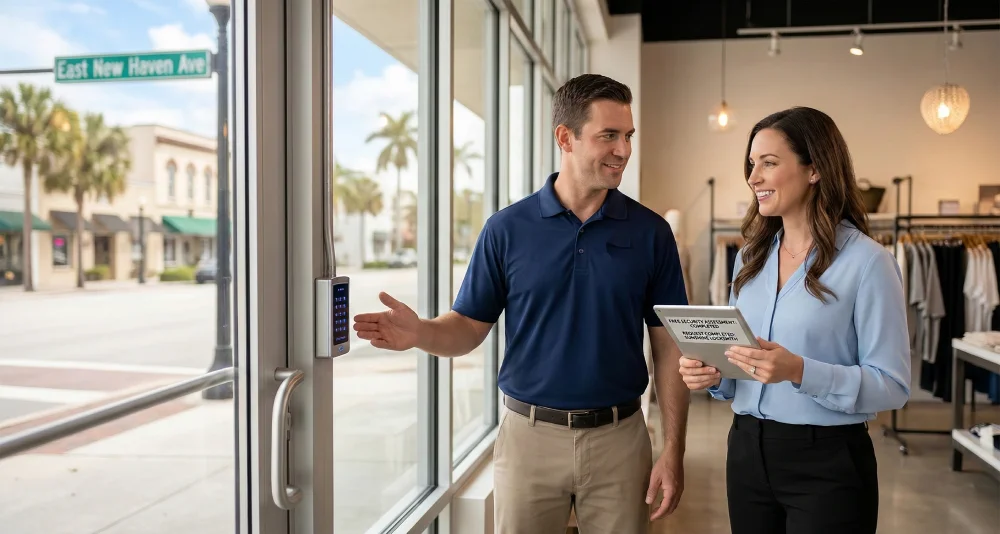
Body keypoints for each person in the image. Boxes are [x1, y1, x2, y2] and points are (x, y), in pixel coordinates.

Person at [353, 74, 691, 533]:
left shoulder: (651, 233)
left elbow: (670, 346)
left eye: (627, 135)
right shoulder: (506, 230)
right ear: (565, 138)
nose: (624, 149)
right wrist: (422, 333)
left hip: (621, 441)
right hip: (528, 440)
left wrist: (673, 450)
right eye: (608, 135)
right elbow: (469, 327)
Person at [678, 106, 910, 534]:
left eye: (769, 163)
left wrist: (800, 371)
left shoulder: (868, 263)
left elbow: (892, 386)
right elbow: (740, 372)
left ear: (815, 169)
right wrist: (713, 375)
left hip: (828, 463)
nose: (753, 178)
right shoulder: (749, 258)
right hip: (746, 451)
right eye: (752, 164)